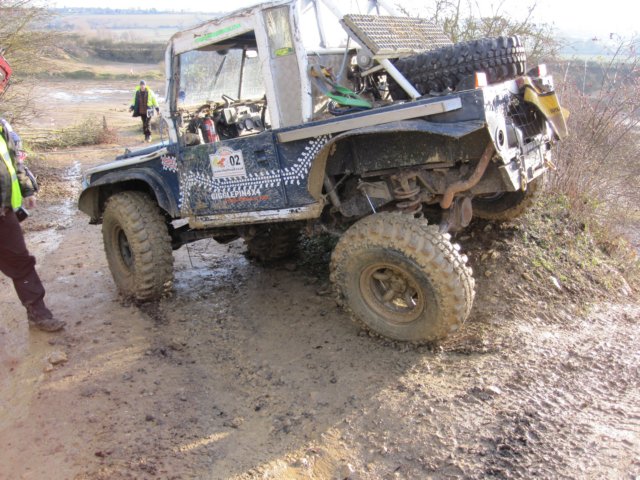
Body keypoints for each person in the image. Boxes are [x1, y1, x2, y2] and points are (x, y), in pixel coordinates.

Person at [0, 52, 65, 332]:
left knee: (21, 262)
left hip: (3, 212)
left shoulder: (2, 125)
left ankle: (38, 313)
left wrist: (27, 189)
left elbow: (14, 161)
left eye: (1, 80)